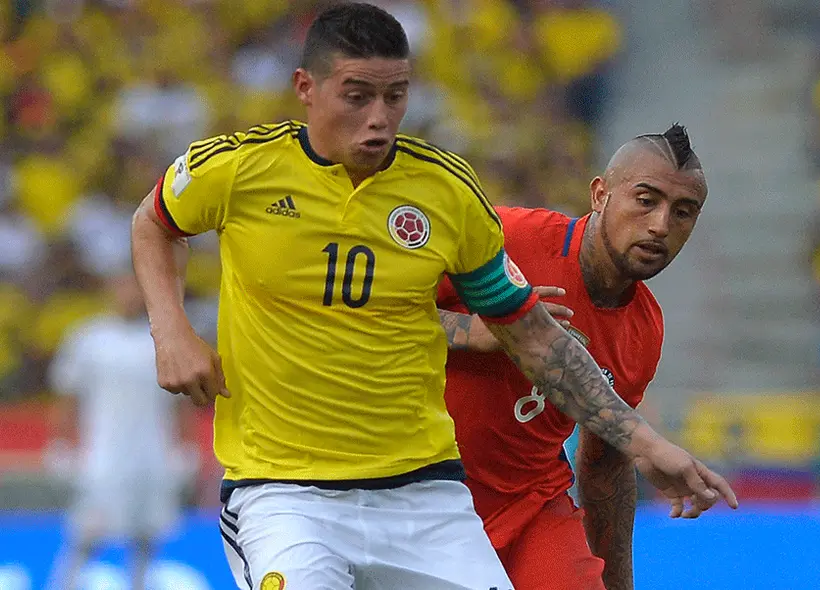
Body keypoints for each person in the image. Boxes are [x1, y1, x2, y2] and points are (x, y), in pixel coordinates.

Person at [130, 4, 737, 589]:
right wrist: (171, 329)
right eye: (357, 94)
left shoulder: (446, 194)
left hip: (427, 493)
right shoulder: (238, 169)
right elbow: (155, 221)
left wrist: (647, 446)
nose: (379, 117)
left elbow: (532, 336)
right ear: (306, 88)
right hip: (288, 489)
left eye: (395, 96)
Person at [438, 125, 716, 590]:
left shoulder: (644, 329)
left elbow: (604, 465)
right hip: (424, 491)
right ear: (600, 194)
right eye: (646, 200)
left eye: (683, 212)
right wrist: (477, 329)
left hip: (531, 509)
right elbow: (371, 316)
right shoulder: (505, 237)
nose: (661, 226)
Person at [45, 271, 193, 590]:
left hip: (152, 457)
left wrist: (184, 449)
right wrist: (60, 444)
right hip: (103, 456)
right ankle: (63, 584)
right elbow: (68, 395)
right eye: (123, 287)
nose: (129, 295)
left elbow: (179, 402)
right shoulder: (88, 338)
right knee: (87, 534)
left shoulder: (163, 340)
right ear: (111, 289)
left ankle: (138, 584)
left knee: (146, 537)